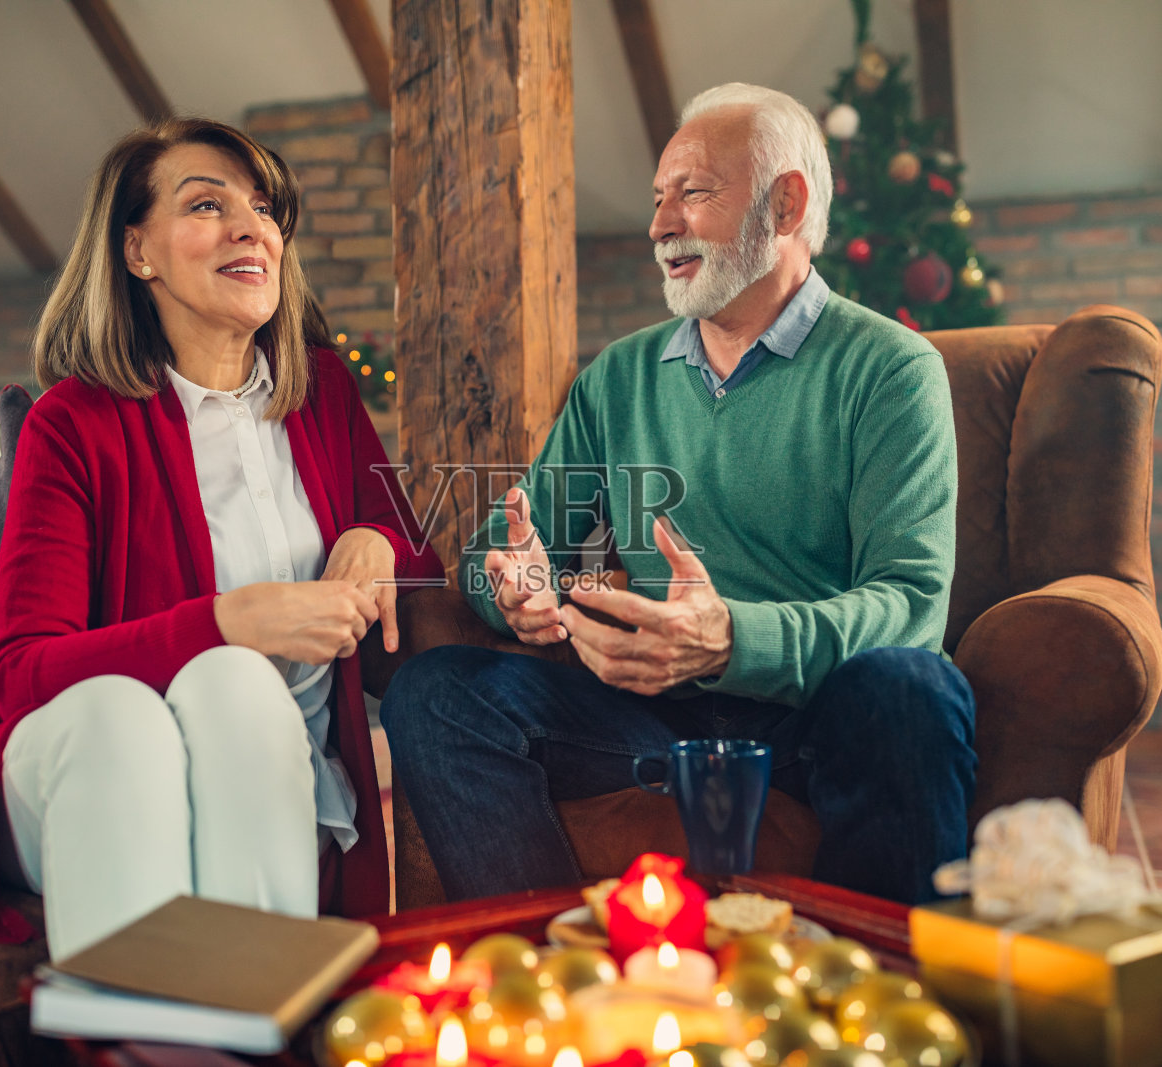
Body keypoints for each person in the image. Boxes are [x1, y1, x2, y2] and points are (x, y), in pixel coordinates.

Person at [382, 83, 974, 906]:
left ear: (786, 204)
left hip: (813, 720)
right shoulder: (619, 377)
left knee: (912, 691)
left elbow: (909, 607)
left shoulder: (892, 370)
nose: (661, 225)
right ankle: (550, 959)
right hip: (648, 713)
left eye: (693, 192)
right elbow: (505, 547)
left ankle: (866, 974)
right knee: (435, 693)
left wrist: (731, 639)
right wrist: (511, 585)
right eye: (659, 197)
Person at [0, 118, 440, 958]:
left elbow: (415, 554)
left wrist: (378, 535)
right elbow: (24, 670)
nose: (250, 228)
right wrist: (229, 621)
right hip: (83, 759)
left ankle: (252, 1003)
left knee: (238, 685)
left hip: (259, 763)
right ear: (137, 251)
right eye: (206, 205)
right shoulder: (72, 424)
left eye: (263, 209)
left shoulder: (323, 391)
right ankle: (140, 1014)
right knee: (134, 712)